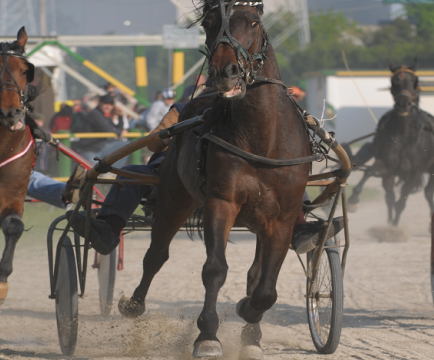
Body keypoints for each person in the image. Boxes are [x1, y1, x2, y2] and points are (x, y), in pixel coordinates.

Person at [69, 101, 341, 255]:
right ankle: (108, 230)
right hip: (175, 176)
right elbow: (153, 145)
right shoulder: (184, 108)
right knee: (134, 175)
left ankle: (299, 227)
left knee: (285, 173)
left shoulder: (248, 113)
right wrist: (171, 130)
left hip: (229, 185)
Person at [77, 94, 128, 167]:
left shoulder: (103, 114)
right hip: (90, 149)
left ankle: (114, 171)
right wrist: (120, 133)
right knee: (95, 174)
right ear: (100, 103)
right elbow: (108, 129)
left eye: (111, 104)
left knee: (126, 145)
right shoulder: (94, 113)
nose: (108, 106)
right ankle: (112, 172)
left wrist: (120, 116)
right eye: (106, 103)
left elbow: (115, 129)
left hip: (101, 147)